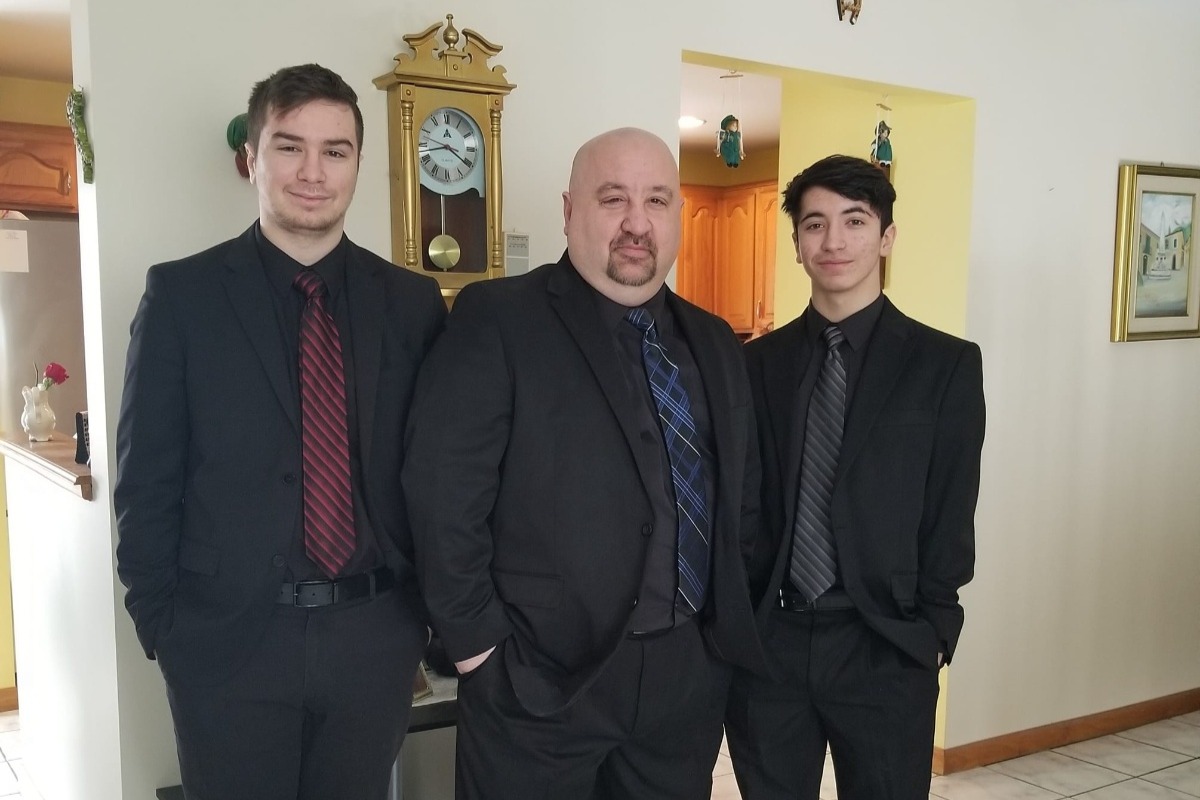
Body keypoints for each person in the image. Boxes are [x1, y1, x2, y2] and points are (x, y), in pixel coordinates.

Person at [403, 127, 767, 800]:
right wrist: (479, 651)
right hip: (537, 684)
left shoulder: (714, 341)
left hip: (683, 683)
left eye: (656, 200)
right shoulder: (499, 319)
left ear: (677, 214)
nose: (637, 223)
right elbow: (442, 497)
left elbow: (739, 498)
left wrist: (713, 648)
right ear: (570, 212)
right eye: (613, 198)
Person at [114, 63, 445, 800]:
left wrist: (422, 621)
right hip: (227, 644)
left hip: (374, 639)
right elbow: (146, 477)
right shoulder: (183, 296)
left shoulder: (412, 304)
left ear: (358, 163)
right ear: (252, 158)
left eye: (335, 151)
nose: (313, 172)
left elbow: (435, 476)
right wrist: (161, 624)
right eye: (289, 147)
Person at [725, 154, 985, 800]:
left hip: (885, 645)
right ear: (796, 244)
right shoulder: (754, 365)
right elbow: (740, 504)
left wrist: (933, 632)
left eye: (855, 221)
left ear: (886, 237)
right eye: (815, 224)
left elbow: (950, 506)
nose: (833, 241)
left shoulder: (945, 365)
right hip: (772, 643)